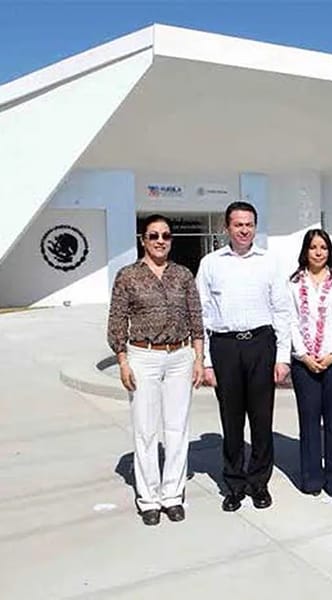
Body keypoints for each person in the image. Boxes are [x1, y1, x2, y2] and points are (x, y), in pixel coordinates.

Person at [107, 214, 205, 526]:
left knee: (177, 429)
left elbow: (196, 318)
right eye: (154, 235)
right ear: (143, 240)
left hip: (180, 356)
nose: (160, 241)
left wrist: (198, 359)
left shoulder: (183, 275)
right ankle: (148, 498)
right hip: (143, 357)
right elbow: (117, 321)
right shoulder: (127, 276)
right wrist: (123, 361)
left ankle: (172, 495)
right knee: (145, 430)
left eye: (165, 235)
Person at [196, 201, 291, 511]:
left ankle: (259, 483)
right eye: (238, 224)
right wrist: (206, 362)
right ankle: (234, 484)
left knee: (262, 420)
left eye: (249, 224)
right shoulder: (211, 263)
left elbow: (282, 310)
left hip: (261, 345)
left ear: (255, 227)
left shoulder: (270, 262)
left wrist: (282, 356)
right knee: (232, 421)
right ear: (227, 228)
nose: (244, 230)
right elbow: (202, 315)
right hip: (225, 348)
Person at [288, 229, 332, 497]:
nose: (318, 252)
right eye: (313, 247)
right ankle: (312, 479)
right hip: (304, 363)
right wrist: (303, 355)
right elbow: (291, 321)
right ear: (305, 251)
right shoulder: (293, 284)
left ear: (329, 251)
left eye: (323, 248)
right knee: (309, 421)